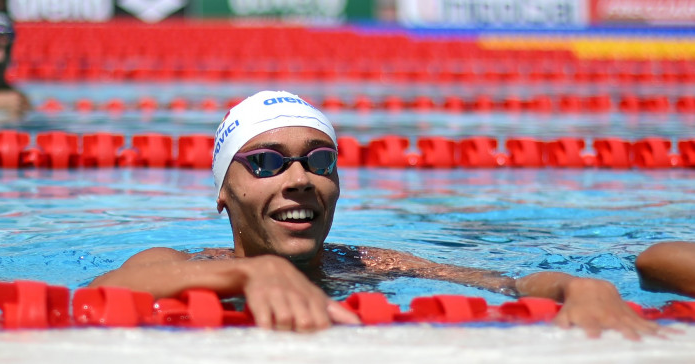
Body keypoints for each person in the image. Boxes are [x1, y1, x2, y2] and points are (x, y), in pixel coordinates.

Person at [91, 90, 661, 339]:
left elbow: (505, 282)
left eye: (319, 161)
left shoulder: (366, 263)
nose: (298, 180)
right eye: (264, 163)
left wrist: (580, 287)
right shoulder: (185, 263)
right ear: (222, 193)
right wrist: (247, 273)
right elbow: (106, 288)